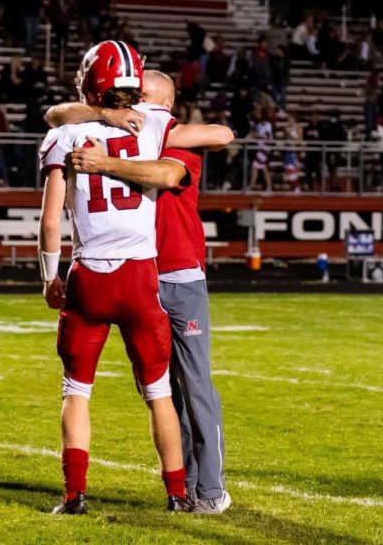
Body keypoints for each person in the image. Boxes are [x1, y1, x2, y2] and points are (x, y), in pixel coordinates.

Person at [47, 69, 234, 514]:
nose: (133, 107)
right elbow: (57, 113)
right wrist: (103, 115)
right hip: (141, 276)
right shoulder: (120, 128)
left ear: (163, 107)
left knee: (194, 384)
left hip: (179, 274)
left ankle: (207, 488)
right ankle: (182, 485)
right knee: (158, 389)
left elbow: (170, 174)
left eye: (141, 100)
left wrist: (104, 163)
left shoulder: (173, 142)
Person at [37, 41, 190, 515]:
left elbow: (49, 221)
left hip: (90, 276)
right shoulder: (156, 122)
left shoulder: (67, 135)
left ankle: (74, 494)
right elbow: (217, 135)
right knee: (159, 393)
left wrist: (49, 276)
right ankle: (177, 493)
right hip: (140, 277)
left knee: (76, 390)